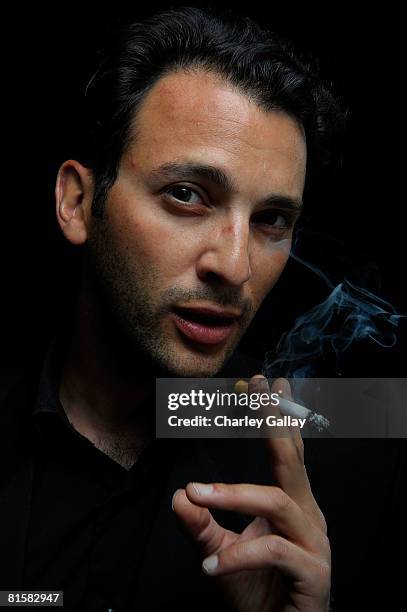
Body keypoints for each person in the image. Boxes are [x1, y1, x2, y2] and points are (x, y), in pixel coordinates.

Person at [0, 6, 404, 612]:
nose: (235, 267)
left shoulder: (349, 437)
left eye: (271, 220)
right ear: (79, 203)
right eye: (186, 195)